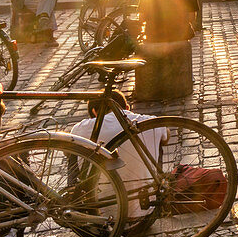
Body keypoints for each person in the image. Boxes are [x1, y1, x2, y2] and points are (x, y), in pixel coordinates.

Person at [71, 91, 167, 221]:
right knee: (159, 138)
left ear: (94, 112)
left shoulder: (81, 128)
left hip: (101, 220)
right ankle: (157, 192)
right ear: (127, 108)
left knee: (72, 149)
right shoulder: (150, 121)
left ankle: (75, 203)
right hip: (146, 215)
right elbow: (167, 135)